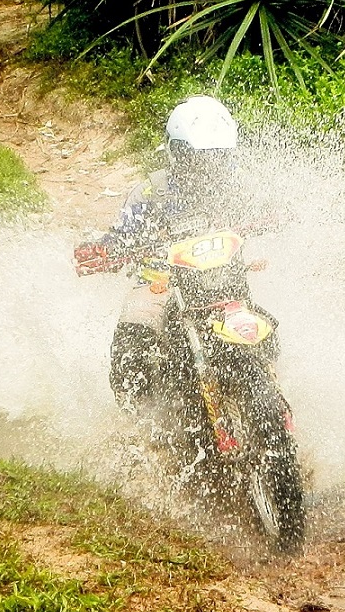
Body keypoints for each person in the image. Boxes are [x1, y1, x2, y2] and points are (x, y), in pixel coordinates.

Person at [74, 95, 240, 399]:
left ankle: (267, 370)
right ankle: (138, 418)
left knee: (263, 321)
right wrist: (102, 251)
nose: (207, 167)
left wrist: (279, 215)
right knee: (132, 337)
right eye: (198, 158)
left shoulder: (235, 190)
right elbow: (121, 235)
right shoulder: (150, 193)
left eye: (218, 157)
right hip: (161, 283)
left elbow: (265, 211)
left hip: (221, 278)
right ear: (178, 152)